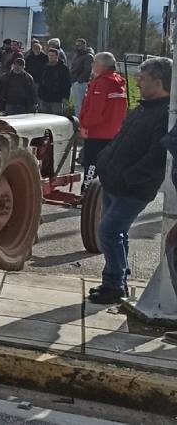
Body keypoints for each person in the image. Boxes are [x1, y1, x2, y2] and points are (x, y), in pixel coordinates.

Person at [88, 57, 173, 304]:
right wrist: (105, 161)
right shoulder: (143, 107)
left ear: (158, 83)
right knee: (117, 233)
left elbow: (156, 158)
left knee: (108, 231)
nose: (137, 81)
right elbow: (121, 139)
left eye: (142, 78)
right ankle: (116, 279)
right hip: (114, 182)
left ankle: (114, 284)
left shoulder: (165, 115)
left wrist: (128, 177)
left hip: (134, 189)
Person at [78, 52, 128, 188]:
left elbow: (95, 111)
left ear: (101, 65)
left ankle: (87, 191)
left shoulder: (101, 83)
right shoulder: (118, 83)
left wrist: (84, 126)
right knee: (107, 165)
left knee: (91, 164)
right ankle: (106, 191)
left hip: (96, 132)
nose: (92, 65)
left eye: (94, 62)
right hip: (112, 131)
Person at [37, 48, 71, 115]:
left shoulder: (63, 68)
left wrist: (65, 97)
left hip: (57, 99)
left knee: (56, 118)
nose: (50, 57)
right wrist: (39, 95)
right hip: (44, 98)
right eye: (49, 55)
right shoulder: (45, 67)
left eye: (52, 55)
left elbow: (67, 83)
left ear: (57, 56)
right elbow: (41, 81)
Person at [70, 38, 94, 114]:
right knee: (76, 104)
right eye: (76, 45)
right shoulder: (77, 55)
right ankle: (78, 120)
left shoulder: (88, 56)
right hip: (74, 82)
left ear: (84, 45)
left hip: (81, 83)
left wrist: (79, 81)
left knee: (80, 104)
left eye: (79, 45)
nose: (77, 47)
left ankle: (80, 122)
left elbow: (87, 70)